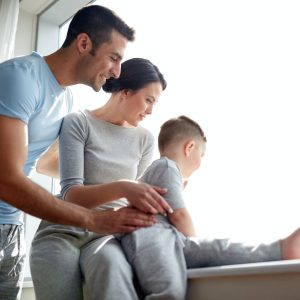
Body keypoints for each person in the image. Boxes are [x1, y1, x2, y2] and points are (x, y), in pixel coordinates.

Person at [0, 5, 170, 300]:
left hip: (12, 228)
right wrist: (93, 219)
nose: (117, 71)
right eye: (114, 57)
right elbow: (7, 179)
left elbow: (42, 164)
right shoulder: (20, 79)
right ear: (83, 44)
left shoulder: (64, 102)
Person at [30, 57, 169, 300]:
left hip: (107, 234)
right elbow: (71, 194)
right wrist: (124, 187)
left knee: (114, 276)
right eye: (148, 100)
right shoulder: (79, 122)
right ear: (125, 92)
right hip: (62, 230)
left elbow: (136, 200)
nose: (151, 110)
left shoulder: (145, 139)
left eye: (155, 103)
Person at [120, 115, 300, 300]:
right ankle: (280, 249)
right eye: (202, 155)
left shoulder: (160, 170)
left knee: (218, 248)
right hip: (150, 234)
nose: (201, 162)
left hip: (168, 236)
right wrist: (194, 243)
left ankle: (280, 249)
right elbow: (179, 215)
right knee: (169, 292)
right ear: (189, 147)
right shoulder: (167, 166)